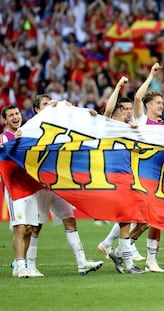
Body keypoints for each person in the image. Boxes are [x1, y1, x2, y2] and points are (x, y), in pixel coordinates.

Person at [26, 94, 104, 276]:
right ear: (37, 110)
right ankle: (29, 265)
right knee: (36, 225)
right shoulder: (33, 127)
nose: (49, 106)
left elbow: (71, 111)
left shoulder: (58, 125)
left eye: (49, 103)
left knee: (70, 220)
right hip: (39, 184)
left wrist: (87, 115)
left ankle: (82, 262)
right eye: (44, 104)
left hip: (57, 182)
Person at [99, 76, 147, 274]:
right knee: (127, 220)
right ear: (118, 112)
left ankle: (119, 256)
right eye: (125, 110)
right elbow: (108, 110)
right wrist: (118, 85)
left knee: (130, 219)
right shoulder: (109, 126)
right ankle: (128, 264)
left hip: (129, 178)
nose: (129, 113)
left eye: (130, 110)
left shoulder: (130, 129)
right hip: (115, 179)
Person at [133, 62, 164, 273]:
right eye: (158, 102)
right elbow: (137, 98)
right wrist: (150, 75)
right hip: (141, 176)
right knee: (147, 219)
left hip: (158, 178)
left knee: (155, 220)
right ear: (148, 106)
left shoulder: (163, 128)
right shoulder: (142, 121)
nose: (161, 105)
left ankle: (146, 258)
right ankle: (128, 250)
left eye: (162, 102)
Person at [0, 104, 43, 278]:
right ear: (5, 119)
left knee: (31, 228)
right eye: (11, 115)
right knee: (19, 226)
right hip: (14, 188)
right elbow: (5, 156)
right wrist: (15, 141)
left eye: (17, 113)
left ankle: (22, 264)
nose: (15, 117)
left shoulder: (27, 134)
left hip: (30, 187)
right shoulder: (3, 138)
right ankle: (19, 265)